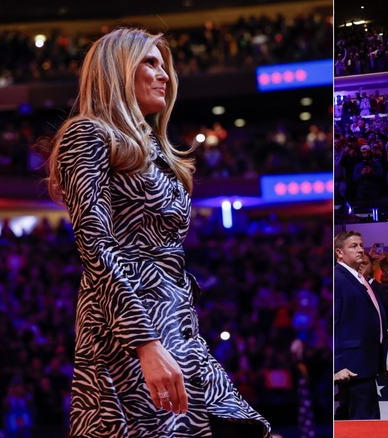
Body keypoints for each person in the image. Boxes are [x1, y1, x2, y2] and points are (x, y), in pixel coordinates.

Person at [42, 28, 270, 437]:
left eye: (164, 65)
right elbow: (95, 246)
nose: (164, 74)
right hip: (127, 329)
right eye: (149, 62)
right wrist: (143, 342)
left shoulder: (157, 150)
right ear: (117, 70)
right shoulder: (87, 133)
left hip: (178, 322)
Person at [334, 231, 388, 419]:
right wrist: (336, 365)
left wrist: (379, 357)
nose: (360, 250)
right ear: (339, 253)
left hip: (364, 363)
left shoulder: (357, 277)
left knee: (353, 420)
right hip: (351, 366)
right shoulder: (337, 279)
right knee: (364, 423)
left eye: (360, 245)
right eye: (353, 246)